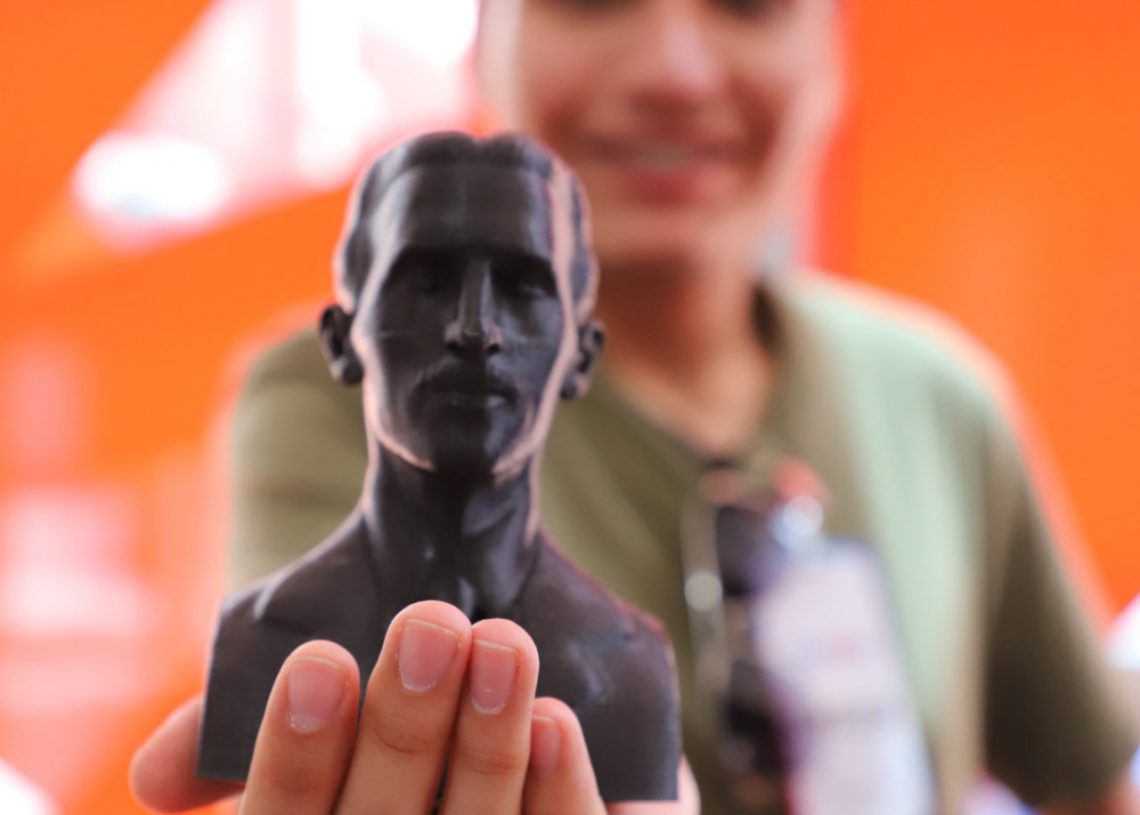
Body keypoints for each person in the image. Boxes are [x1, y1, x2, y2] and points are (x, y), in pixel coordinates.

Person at [133, 0, 1140, 813]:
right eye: (591, 0)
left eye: (748, 5)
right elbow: (292, 754)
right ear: (485, 39)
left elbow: (1090, 778)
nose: (674, 70)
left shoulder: (939, 399)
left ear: (833, 51)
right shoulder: (329, 404)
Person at [197, 132, 679, 803]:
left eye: (522, 288)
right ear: (340, 340)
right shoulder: (263, 635)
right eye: (425, 282)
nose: (475, 331)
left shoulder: (630, 661)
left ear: (582, 358)